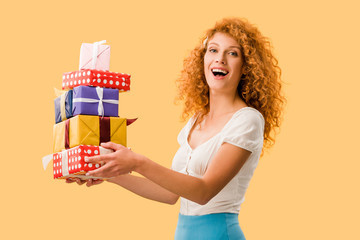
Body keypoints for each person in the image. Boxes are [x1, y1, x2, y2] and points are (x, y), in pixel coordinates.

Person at [67, 17, 285, 239]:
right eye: (213, 50)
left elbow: (203, 192)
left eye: (232, 53)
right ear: (203, 58)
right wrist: (106, 172)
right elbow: (170, 193)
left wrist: (137, 162)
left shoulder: (247, 121)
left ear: (246, 66)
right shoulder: (196, 120)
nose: (220, 59)